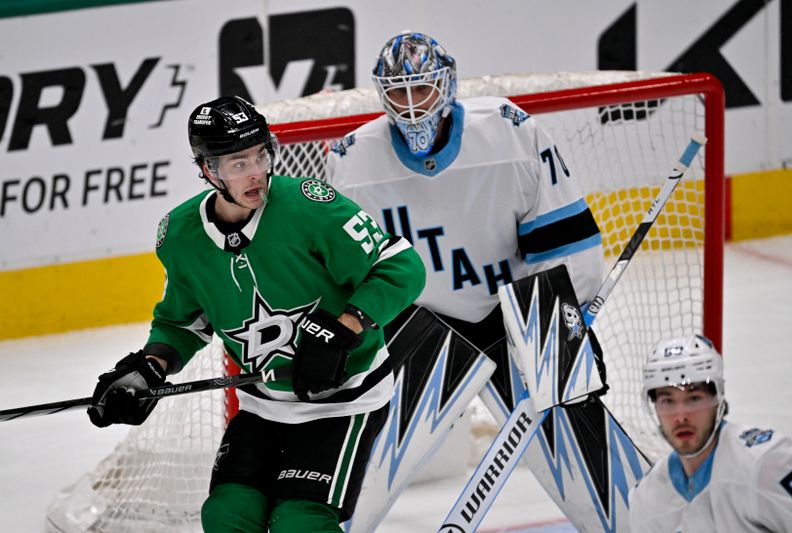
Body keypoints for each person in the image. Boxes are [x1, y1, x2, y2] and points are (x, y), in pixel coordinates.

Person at [86, 95, 426, 533]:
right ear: (208, 169)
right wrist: (149, 368)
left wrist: (345, 329)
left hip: (346, 398)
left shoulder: (311, 207)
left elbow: (401, 266)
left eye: (260, 156)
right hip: (263, 404)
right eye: (238, 163)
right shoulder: (182, 236)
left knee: (299, 524)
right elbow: (182, 323)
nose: (255, 173)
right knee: (226, 515)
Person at [326, 30, 604, 353]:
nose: (412, 106)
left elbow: (564, 242)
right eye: (399, 92)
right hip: (416, 329)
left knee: (573, 385)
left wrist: (560, 314)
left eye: (421, 88)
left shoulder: (510, 133)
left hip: (515, 314)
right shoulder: (351, 163)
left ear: (446, 85)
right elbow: (347, 275)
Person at [629, 334, 792, 532]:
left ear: (717, 400)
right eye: (668, 401)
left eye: (694, 398)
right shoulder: (647, 498)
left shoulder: (766, 464)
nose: (681, 416)